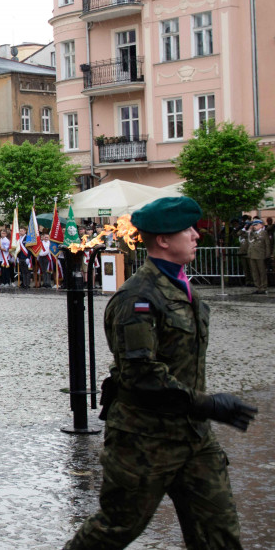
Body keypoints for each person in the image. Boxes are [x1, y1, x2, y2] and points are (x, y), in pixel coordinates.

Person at [65, 197, 257, 549]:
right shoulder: (137, 298)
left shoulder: (183, 287)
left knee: (219, 532)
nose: (196, 235)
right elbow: (142, 374)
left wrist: (203, 410)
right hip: (143, 440)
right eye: (187, 230)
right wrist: (210, 404)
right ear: (164, 240)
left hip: (193, 438)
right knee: (115, 529)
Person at [245, 219, 271, 294]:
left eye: (256, 225)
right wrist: (249, 231)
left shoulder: (264, 233)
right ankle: (258, 286)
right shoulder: (252, 233)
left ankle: (263, 287)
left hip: (260, 255)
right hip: (252, 254)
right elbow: (249, 240)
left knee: (262, 272)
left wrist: (267, 255)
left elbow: (267, 245)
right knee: (254, 272)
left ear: (261, 225)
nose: (255, 226)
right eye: (254, 225)